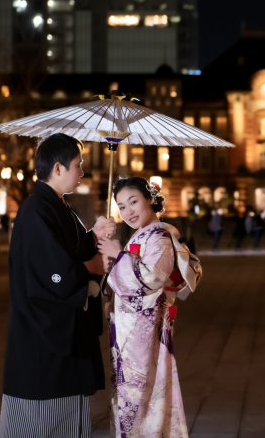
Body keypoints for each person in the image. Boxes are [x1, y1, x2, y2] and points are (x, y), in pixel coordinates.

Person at [0, 133, 116, 438]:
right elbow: (53, 270)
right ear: (58, 168)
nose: (82, 172)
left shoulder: (56, 206)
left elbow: (67, 252)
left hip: (62, 327)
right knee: (43, 421)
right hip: (44, 330)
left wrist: (93, 236)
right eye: (78, 165)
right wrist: (91, 267)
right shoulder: (35, 209)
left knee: (66, 415)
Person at [97, 177, 201, 438]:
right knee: (134, 395)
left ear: (149, 199)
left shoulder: (160, 237)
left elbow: (150, 280)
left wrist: (120, 255)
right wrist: (112, 262)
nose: (128, 211)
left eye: (133, 202)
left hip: (143, 331)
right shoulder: (145, 235)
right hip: (131, 331)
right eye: (121, 206)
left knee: (142, 394)